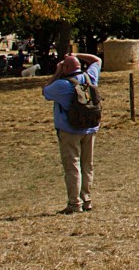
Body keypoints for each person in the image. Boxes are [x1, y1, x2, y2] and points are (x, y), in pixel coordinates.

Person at [42, 52, 102, 214]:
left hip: (69, 130)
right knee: (87, 165)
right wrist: (76, 54)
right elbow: (96, 60)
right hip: (90, 128)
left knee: (72, 166)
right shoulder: (90, 77)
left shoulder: (61, 85)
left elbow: (45, 91)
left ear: (66, 67)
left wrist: (57, 72)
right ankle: (86, 199)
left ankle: (74, 203)